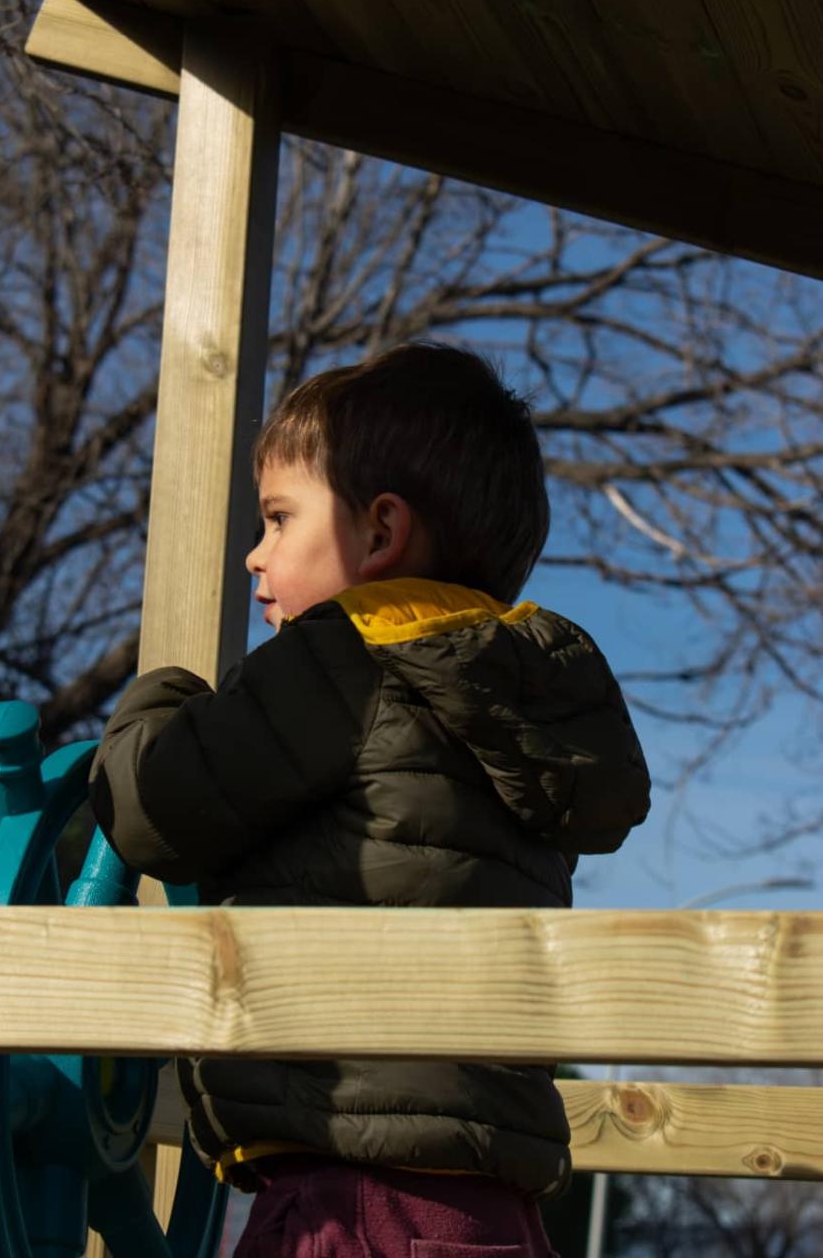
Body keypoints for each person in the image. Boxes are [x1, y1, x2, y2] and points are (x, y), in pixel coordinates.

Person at [89, 342, 651, 1258]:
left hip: (350, 1191)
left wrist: (162, 696)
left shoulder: (345, 663)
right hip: (491, 1202)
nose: (252, 555)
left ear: (378, 535)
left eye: (278, 519)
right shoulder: (522, 701)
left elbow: (156, 810)